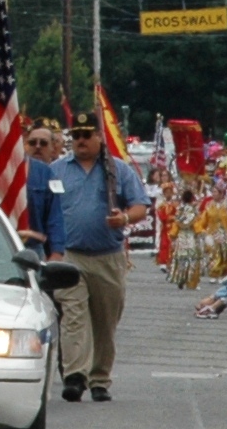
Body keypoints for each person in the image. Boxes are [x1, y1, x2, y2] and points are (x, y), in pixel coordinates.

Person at [37, 120, 148, 402]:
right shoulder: (57, 170)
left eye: (86, 135)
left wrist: (123, 218)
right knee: (73, 316)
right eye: (75, 136)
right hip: (71, 254)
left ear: (99, 137)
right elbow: (46, 207)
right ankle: (75, 376)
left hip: (107, 256)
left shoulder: (118, 170)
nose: (80, 141)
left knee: (105, 321)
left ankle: (100, 378)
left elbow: (139, 206)